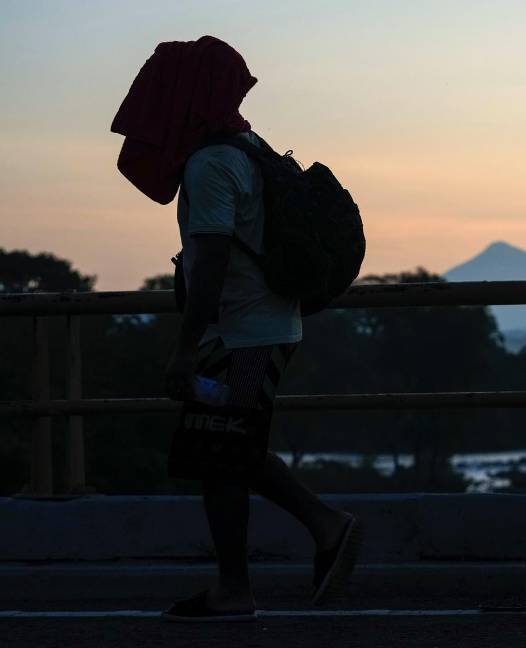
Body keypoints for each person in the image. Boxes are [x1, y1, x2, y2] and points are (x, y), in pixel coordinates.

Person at [111, 36, 362, 622]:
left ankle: (319, 532)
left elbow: (212, 260)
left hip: (245, 334)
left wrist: (184, 349)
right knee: (222, 451)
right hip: (254, 329)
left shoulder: (210, 163)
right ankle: (244, 579)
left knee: (225, 451)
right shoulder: (247, 147)